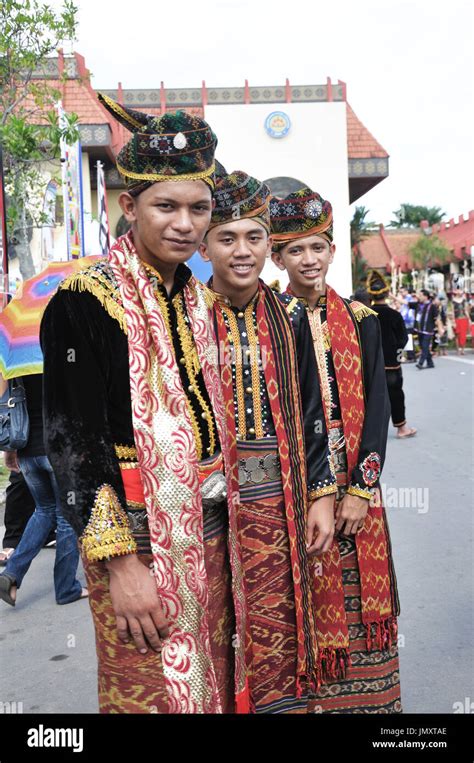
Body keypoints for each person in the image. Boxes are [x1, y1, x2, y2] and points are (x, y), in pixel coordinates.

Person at [40, 97, 249, 714]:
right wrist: (120, 564)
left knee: (209, 677)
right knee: (150, 691)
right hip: (136, 536)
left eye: (198, 208)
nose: (184, 223)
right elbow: (72, 445)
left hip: (213, 533)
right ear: (128, 207)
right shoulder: (83, 302)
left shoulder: (200, 301)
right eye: (166, 206)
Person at [200, 170, 336, 713]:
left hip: (282, 496)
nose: (242, 252)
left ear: (267, 245)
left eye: (254, 238)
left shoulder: (292, 317)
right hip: (207, 501)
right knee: (214, 622)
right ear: (206, 245)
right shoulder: (185, 317)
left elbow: (311, 409)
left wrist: (322, 492)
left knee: (278, 618)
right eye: (227, 238)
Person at [270, 187, 402, 714]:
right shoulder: (269, 321)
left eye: (319, 247)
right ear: (278, 257)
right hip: (293, 487)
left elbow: (377, 406)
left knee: (360, 606)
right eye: (296, 250)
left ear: (332, 251)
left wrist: (362, 490)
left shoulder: (363, 320)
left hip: (356, 489)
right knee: (298, 598)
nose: (310, 260)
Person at [0, 374, 86, 605]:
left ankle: (11, 574)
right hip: (57, 452)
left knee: (44, 510)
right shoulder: (58, 357)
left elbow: (9, 408)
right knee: (67, 516)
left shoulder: (15, 364)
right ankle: (67, 588)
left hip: (28, 454)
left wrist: (9, 451)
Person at [367, 270, 417, 439]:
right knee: (395, 395)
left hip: (371, 365)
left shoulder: (365, 315)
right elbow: (402, 339)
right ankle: (402, 428)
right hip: (391, 364)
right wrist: (395, 353)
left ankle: (371, 433)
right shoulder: (395, 315)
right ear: (387, 293)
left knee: (372, 398)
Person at [415, 290, 438, 369]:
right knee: (423, 347)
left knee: (425, 347)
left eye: (421, 295)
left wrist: (439, 328)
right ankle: (430, 363)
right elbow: (405, 303)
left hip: (428, 330)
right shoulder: (419, 305)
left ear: (425, 296)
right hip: (420, 330)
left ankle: (420, 363)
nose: (419, 296)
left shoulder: (432, 306)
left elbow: (436, 318)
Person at [452, 285, 470, 355]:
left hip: (464, 319)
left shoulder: (464, 300)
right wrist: (453, 321)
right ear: (455, 291)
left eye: (460, 290)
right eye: (458, 290)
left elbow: (465, 310)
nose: (460, 292)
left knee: (463, 335)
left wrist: (469, 319)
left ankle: (462, 350)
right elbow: (452, 312)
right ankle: (458, 350)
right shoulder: (453, 301)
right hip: (457, 319)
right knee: (457, 334)